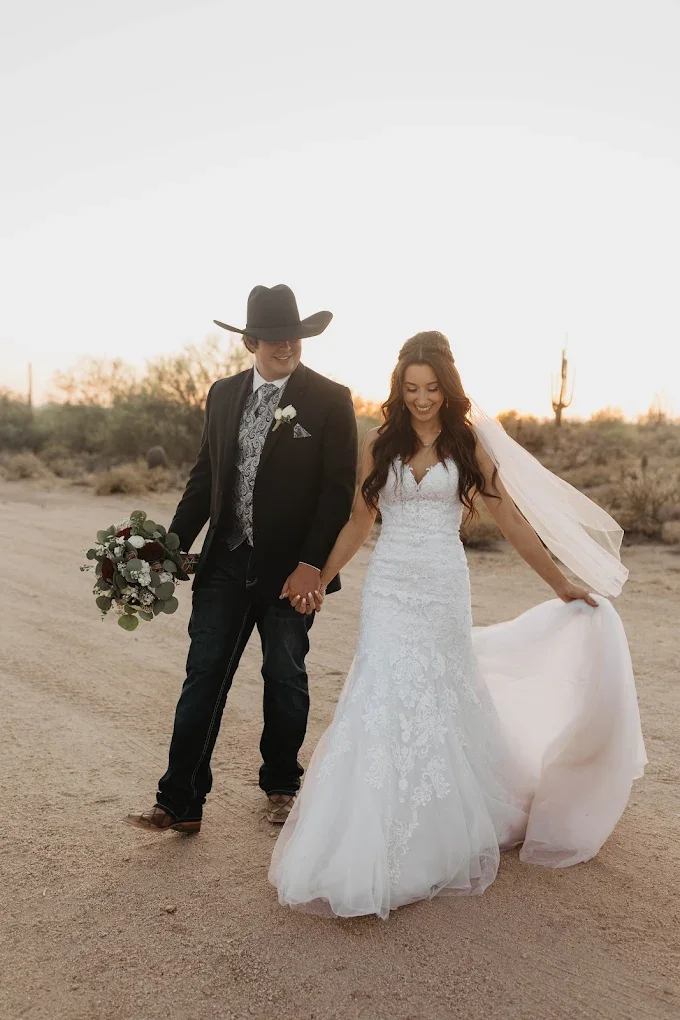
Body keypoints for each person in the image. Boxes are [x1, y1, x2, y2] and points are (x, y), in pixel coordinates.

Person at [270, 331, 646, 919]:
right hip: (390, 587)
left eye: (432, 388)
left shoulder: (467, 443)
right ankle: (368, 830)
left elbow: (512, 520)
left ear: (448, 389)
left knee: (439, 697)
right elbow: (358, 523)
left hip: (443, 588)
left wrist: (560, 583)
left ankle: (438, 827)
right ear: (399, 389)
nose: (421, 399)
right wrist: (318, 572)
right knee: (381, 692)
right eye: (411, 388)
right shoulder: (380, 444)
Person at [127, 285, 357, 832]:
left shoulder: (330, 399)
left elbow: (336, 493)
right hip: (224, 563)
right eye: (276, 338)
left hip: (291, 571)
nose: (288, 347)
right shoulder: (222, 394)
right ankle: (179, 800)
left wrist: (313, 564)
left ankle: (282, 784)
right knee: (203, 674)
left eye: (295, 337)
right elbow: (204, 478)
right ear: (251, 341)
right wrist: (171, 545)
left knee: (285, 675)